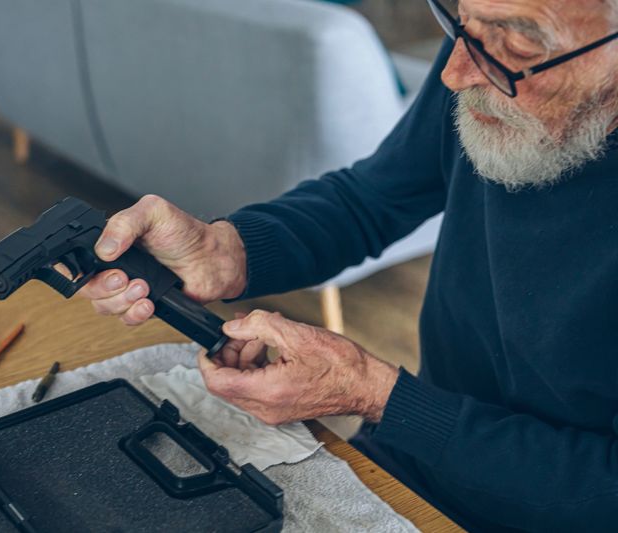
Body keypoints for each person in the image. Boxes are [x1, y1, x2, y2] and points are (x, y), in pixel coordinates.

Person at [73, 0, 618, 529]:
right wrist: (227, 250)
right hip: (414, 457)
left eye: (520, 39)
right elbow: (373, 198)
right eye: (460, 18)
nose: (454, 73)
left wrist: (372, 392)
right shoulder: (480, 59)